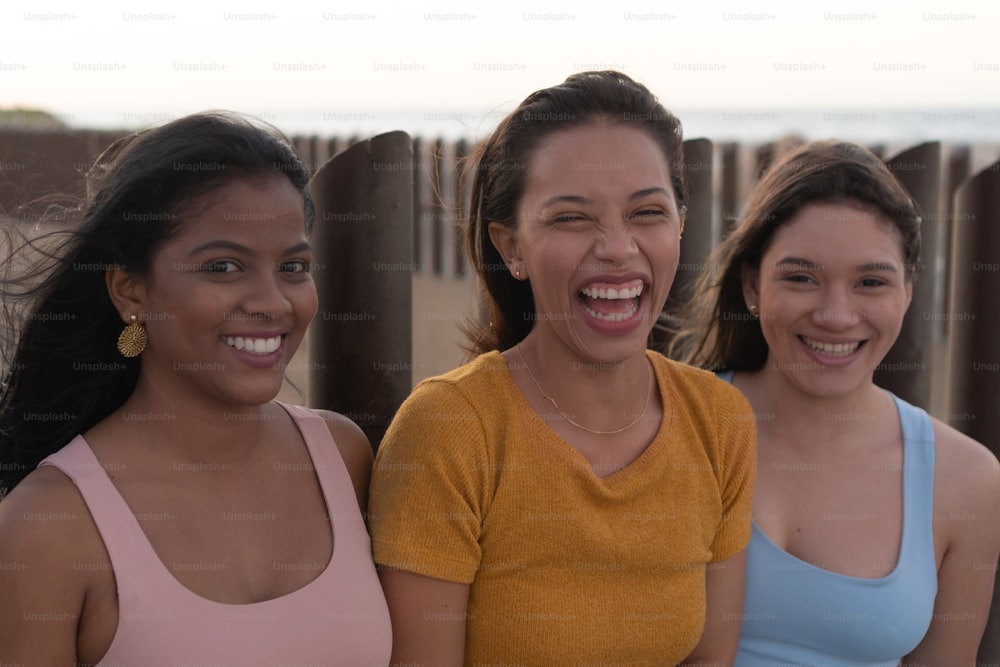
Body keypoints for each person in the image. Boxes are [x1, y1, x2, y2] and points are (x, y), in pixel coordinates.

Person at [368, 70, 757, 665]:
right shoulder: (450, 430)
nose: (617, 247)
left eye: (647, 212)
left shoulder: (720, 420)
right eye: (571, 218)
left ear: (680, 223)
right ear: (511, 247)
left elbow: (710, 657)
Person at [0, 112, 391, 665]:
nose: (273, 302)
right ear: (130, 292)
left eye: (293, 266)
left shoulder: (344, 457)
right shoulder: (48, 525)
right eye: (224, 266)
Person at [670, 139, 1000, 665]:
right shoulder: (670, 424)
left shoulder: (967, 480)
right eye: (801, 278)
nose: (836, 315)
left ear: (908, 293)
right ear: (753, 285)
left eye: (871, 282)